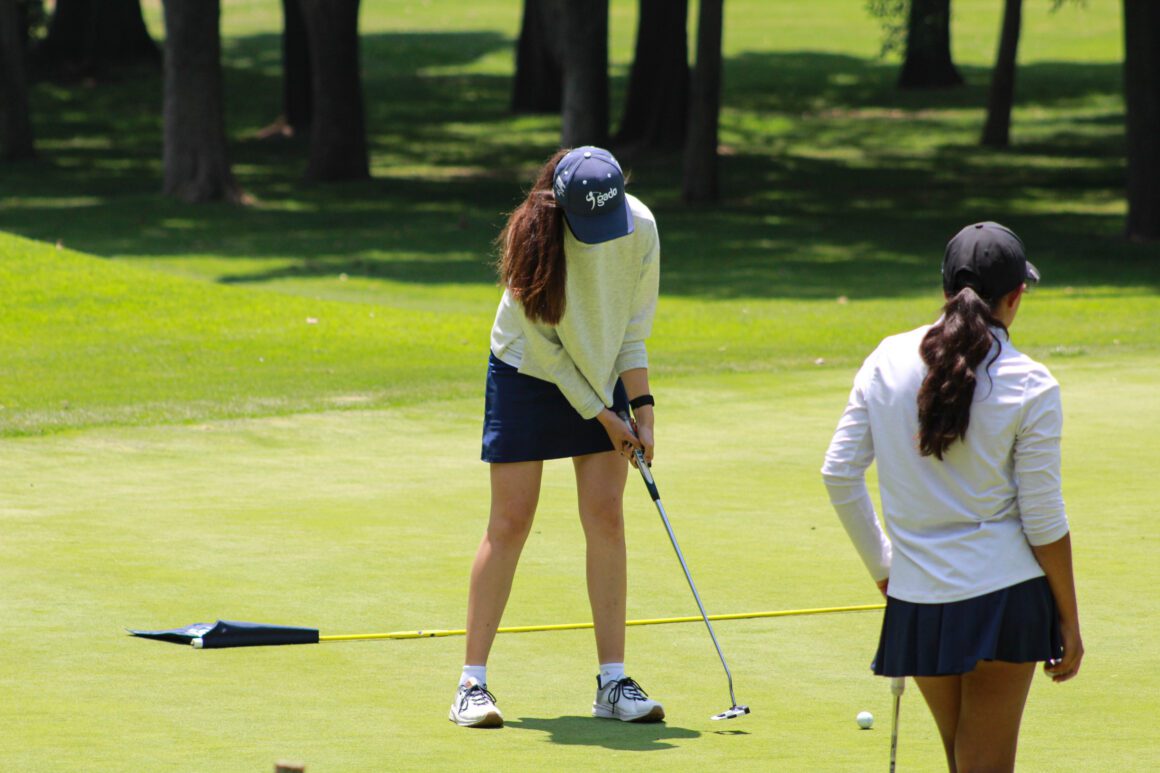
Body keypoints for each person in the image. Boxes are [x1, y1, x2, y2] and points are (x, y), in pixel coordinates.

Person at [821, 222, 1083, 771]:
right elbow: (1042, 519)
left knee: (964, 762)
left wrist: (884, 565)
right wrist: (1070, 619)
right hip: (1004, 598)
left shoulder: (886, 359)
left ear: (944, 290)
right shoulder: (1031, 383)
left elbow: (839, 475)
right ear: (1016, 297)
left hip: (918, 599)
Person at [449, 146, 664, 728]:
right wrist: (603, 415)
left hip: (599, 375)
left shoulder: (639, 227)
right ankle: (472, 683)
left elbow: (633, 328)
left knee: (607, 515)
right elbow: (548, 349)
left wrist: (641, 408)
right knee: (511, 521)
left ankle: (612, 683)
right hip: (527, 373)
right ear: (559, 206)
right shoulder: (532, 241)